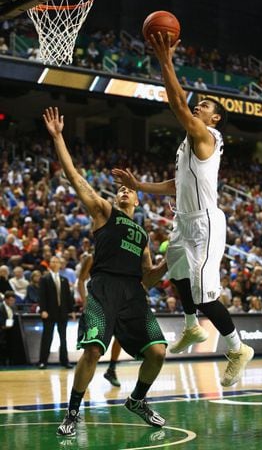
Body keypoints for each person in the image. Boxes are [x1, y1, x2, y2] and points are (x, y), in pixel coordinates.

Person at [112, 31, 254, 387]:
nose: (199, 106)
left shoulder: (206, 136)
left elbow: (176, 103)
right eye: (200, 104)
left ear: (216, 119)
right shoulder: (187, 144)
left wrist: (166, 60)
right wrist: (139, 184)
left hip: (206, 224)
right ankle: (191, 327)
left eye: (206, 105)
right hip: (184, 221)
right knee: (175, 268)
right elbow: (175, 186)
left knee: (207, 297)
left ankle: (238, 348)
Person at [43, 107, 168, 437]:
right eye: (122, 188)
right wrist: (58, 138)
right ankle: (73, 411)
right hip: (103, 287)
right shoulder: (104, 211)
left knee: (158, 352)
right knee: (94, 350)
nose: (124, 190)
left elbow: (148, 278)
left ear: (138, 201)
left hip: (133, 294)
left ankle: (137, 400)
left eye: (130, 190)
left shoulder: (142, 234)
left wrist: (168, 263)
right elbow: (75, 177)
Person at [77, 252, 121, 387]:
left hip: (116, 302)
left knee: (120, 337)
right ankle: (85, 375)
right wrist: (85, 302)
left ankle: (112, 369)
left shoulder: (119, 258)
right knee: (93, 349)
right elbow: (81, 280)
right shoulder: (92, 257)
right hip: (97, 304)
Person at [38, 255, 75, 369]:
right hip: (49, 312)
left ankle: (65, 361)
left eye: (57, 262)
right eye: (52, 261)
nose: (55, 263)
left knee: (63, 338)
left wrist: (72, 310)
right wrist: (43, 310)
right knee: (47, 337)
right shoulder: (44, 279)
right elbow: (42, 296)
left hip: (62, 313)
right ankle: (43, 361)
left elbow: (68, 297)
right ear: (50, 264)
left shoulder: (64, 280)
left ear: (60, 264)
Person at [0, 291, 16, 365]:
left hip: (10, 330)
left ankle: (10, 361)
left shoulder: (13, 307)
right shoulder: (1, 307)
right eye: (10, 300)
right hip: (2, 330)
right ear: (5, 300)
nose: (12, 302)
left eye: (13, 300)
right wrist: (3, 326)